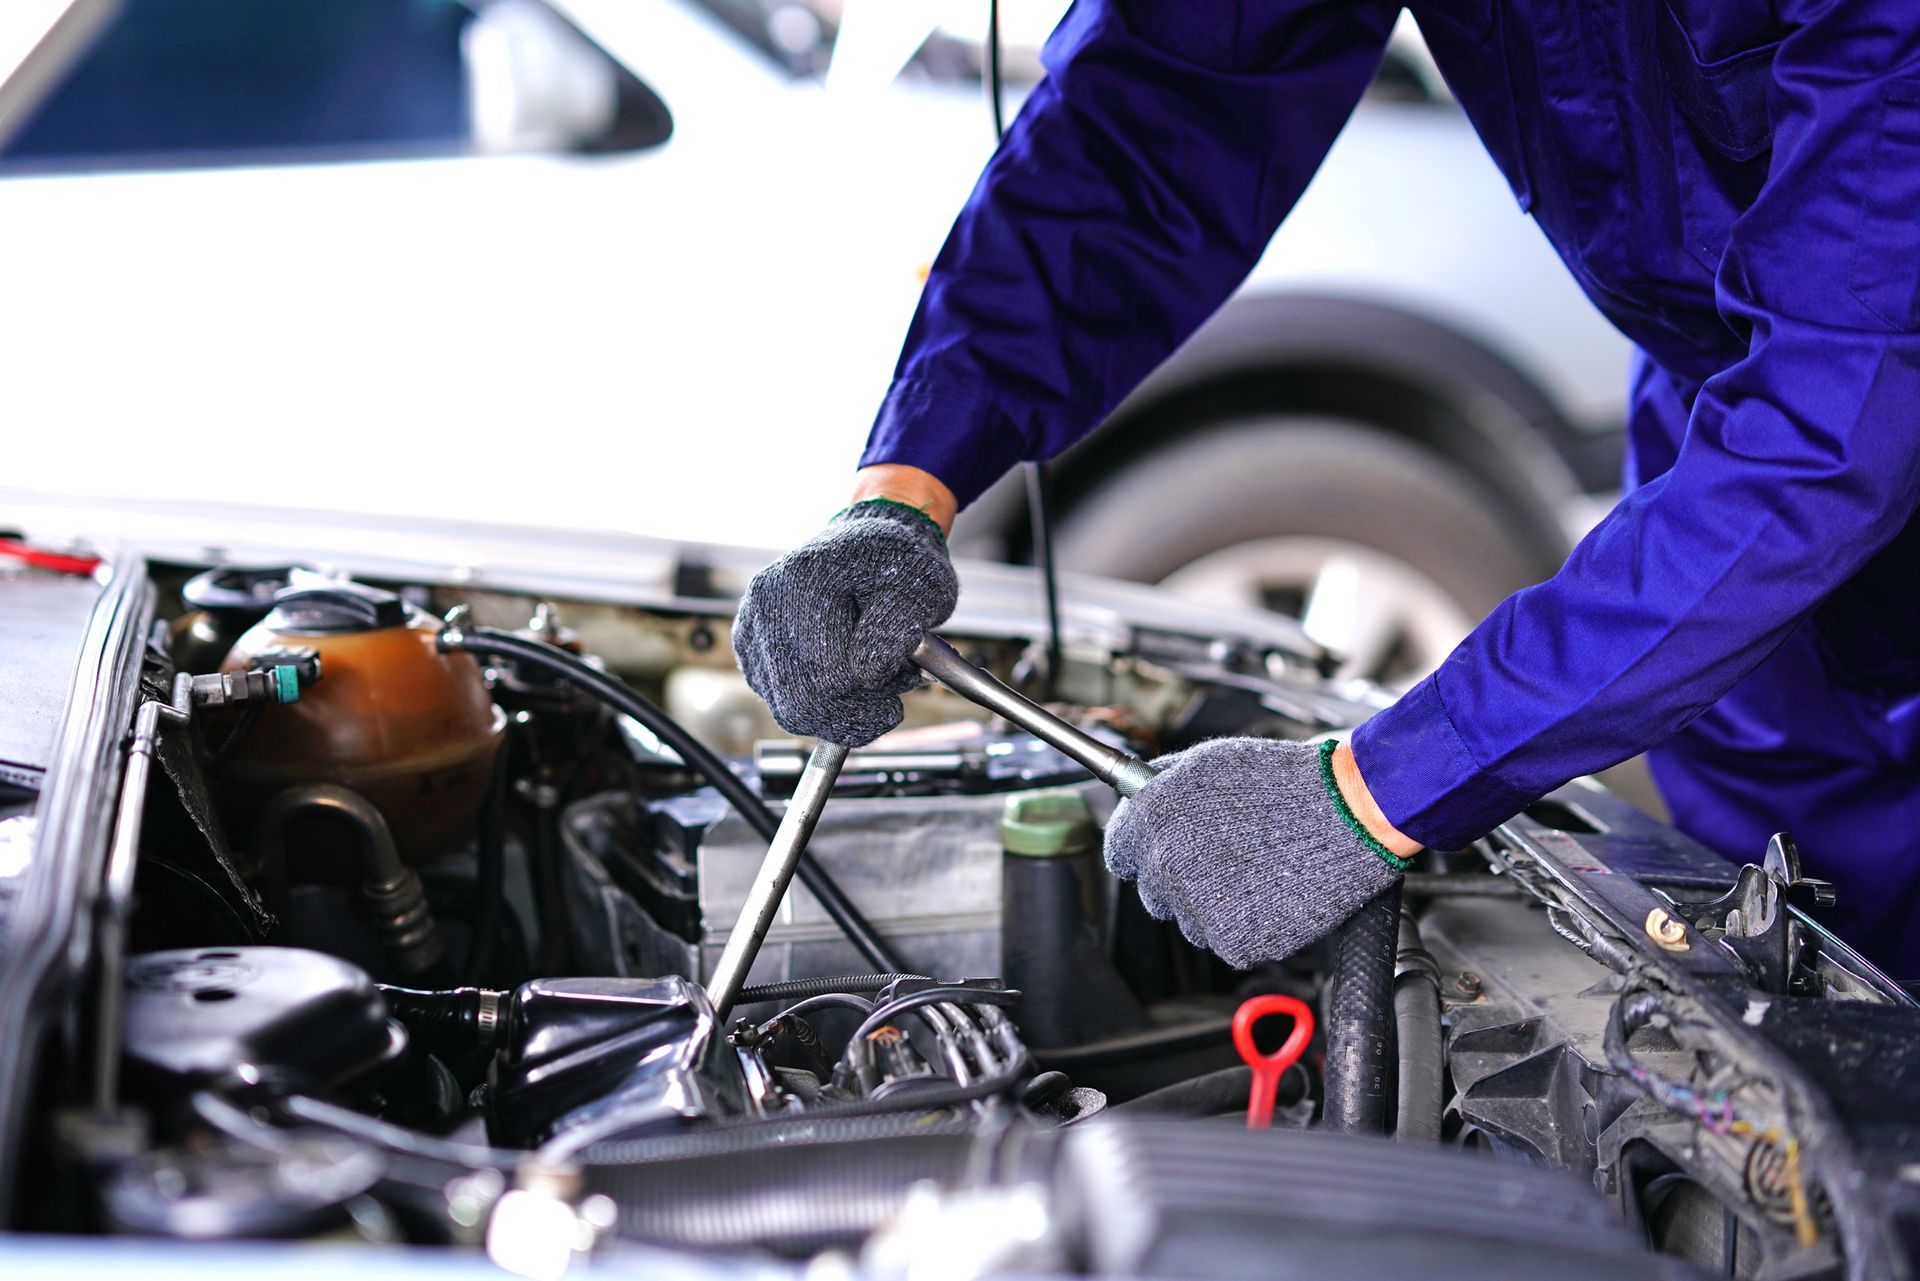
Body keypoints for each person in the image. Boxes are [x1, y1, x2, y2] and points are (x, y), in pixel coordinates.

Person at [733, 0, 1920, 978]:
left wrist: (1375, 788)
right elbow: (1151, 122)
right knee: (1795, 990)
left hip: (1800, 449)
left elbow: (1849, 396)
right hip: (1729, 504)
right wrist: (906, 484)